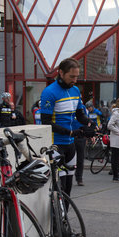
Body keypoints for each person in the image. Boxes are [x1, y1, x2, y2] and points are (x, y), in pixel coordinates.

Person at [40, 57, 93, 196]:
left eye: (77, 76)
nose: (75, 80)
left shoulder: (75, 90)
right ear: (61, 73)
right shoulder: (49, 92)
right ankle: (55, 216)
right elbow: (46, 122)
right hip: (56, 145)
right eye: (72, 76)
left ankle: (63, 218)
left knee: (68, 188)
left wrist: (90, 124)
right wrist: (70, 132)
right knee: (60, 187)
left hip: (70, 145)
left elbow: (80, 115)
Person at [72, 100, 88, 186]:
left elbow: (86, 121)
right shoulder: (68, 108)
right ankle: (64, 176)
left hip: (80, 137)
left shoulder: (82, 108)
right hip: (70, 135)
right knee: (67, 158)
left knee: (80, 159)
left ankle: (79, 178)